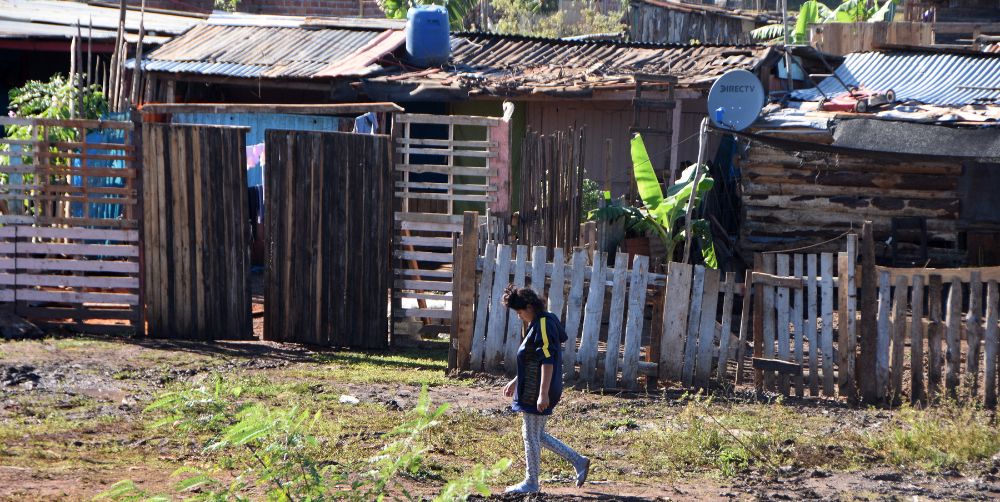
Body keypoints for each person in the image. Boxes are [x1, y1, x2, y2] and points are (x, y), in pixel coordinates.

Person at [501, 284, 590, 494]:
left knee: (530, 435)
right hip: (535, 386)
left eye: (520, 311)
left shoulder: (542, 324)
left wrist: (542, 393)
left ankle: (531, 482)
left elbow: (547, 360)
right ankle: (578, 461)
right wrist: (516, 380)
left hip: (537, 389)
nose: (519, 316)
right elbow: (532, 359)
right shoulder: (542, 321)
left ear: (530, 306)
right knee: (536, 434)